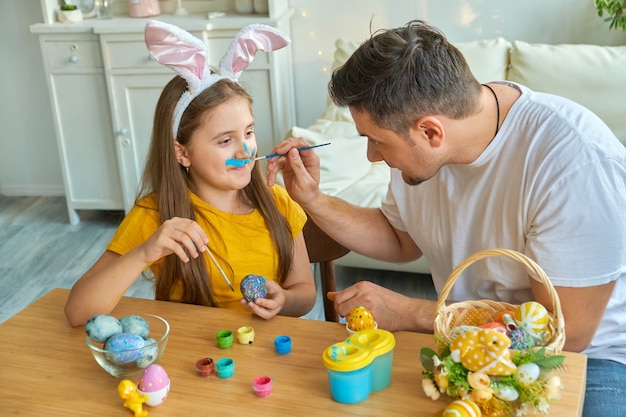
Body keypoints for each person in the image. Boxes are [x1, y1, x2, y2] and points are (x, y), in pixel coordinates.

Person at [266, 19, 626, 417]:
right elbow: (400, 238)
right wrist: (312, 199)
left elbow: (567, 332)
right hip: (466, 347)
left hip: (590, 361)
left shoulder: (573, 163)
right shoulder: (425, 152)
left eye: (377, 141)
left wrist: (413, 313)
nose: (372, 156)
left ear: (430, 132)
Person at [65, 21, 316, 327]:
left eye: (248, 132)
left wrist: (284, 301)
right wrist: (144, 252)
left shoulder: (278, 203)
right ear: (182, 153)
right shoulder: (156, 215)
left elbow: (305, 295)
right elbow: (77, 312)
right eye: (225, 140)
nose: (244, 151)